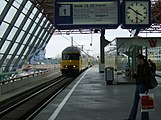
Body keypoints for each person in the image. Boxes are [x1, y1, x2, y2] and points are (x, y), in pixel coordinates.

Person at [124, 54, 151, 120]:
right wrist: (133, 75)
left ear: (141, 59)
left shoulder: (146, 67)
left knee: (144, 104)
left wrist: (146, 89)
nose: (137, 62)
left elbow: (147, 78)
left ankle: (144, 118)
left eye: (137, 60)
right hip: (138, 85)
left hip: (143, 86)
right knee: (135, 103)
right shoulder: (139, 66)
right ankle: (131, 118)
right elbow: (138, 76)